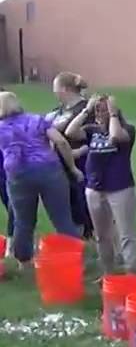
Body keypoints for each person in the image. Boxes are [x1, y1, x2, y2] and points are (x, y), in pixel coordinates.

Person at [0, 92, 82, 267]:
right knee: (62, 218)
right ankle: (75, 259)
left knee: (22, 220)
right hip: (49, 171)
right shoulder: (37, 120)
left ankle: (24, 261)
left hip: (18, 174)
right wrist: (72, 168)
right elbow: (61, 142)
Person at [65, 94, 136, 275]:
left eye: (102, 109)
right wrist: (87, 110)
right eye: (97, 110)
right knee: (102, 235)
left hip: (120, 188)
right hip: (94, 189)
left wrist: (113, 115)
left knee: (126, 234)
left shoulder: (127, 129)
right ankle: (108, 272)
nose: (99, 113)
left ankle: (132, 273)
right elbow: (70, 132)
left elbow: (115, 137)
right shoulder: (92, 131)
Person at [49, 72, 93, 239]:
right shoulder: (58, 111)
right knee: (68, 201)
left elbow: (95, 135)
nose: (54, 93)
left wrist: (81, 150)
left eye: (56, 88)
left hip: (83, 163)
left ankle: (90, 235)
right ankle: (76, 236)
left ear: (65, 89)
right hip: (61, 163)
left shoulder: (86, 108)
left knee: (84, 201)